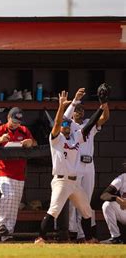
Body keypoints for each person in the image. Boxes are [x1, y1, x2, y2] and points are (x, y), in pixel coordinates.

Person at [35, 90, 108, 244]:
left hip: (74, 183)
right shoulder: (56, 139)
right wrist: (61, 107)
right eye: (64, 124)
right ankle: (40, 237)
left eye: (67, 124)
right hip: (61, 181)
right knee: (54, 210)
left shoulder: (75, 138)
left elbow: (88, 126)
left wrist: (101, 107)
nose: (66, 126)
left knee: (86, 211)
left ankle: (88, 238)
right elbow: (56, 123)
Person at [63, 87, 109, 241]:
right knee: (71, 199)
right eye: (77, 110)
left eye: (82, 110)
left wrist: (104, 102)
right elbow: (63, 117)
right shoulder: (69, 126)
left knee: (86, 200)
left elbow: (105, 117)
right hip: (74, 165)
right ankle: (72, 231)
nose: (79, 112)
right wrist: (74, 101)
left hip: (88, 165)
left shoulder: (89, 123)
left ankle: (84, 234)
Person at [0, 107, 36, 241]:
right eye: (14, 121)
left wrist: (29, 143)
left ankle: (7, 235)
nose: (16, 124)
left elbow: (34, 143)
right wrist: (0, 140)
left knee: (15, 203)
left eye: (18, 121)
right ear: (8, 118)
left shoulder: (24, 130)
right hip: (2, 170)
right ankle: (1, 224)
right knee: (9, 195)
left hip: (19, 172)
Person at [99, 162, 126, 244]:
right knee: (107, 205)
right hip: (124, 212)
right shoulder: (123, 178)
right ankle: (116, 237)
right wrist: (117, 199)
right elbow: (104, 195)